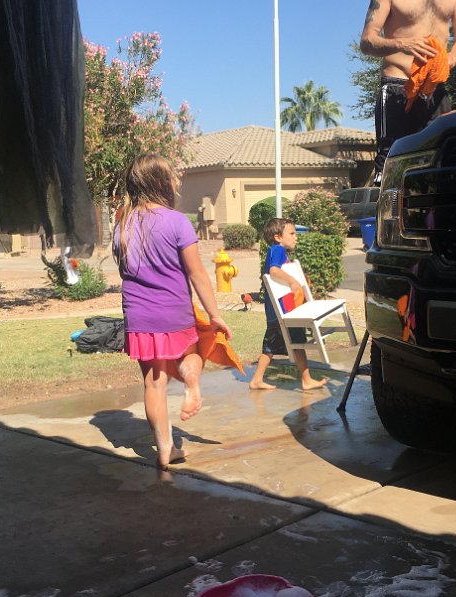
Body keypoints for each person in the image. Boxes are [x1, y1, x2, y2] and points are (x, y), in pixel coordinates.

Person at [113, 153, 232, 470]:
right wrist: (215, 314)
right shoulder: (177, 221)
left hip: (138, 316)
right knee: (193, 353)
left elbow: (124, 270)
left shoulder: (122, 224)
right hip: (174, 312)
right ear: (161, 182)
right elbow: (197, 274)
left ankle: (165, 450)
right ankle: (192, 384)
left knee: (154, 383)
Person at [360, 0, 456, 184]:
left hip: (435, 90)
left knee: (440, 170)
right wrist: (403, 44)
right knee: (392, 172)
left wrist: (449, 59)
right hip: (397, 88)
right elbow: (367, 42)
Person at [249, 218, 329, 392]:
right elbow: (274, 271)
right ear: (278, 237)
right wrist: (292, 281)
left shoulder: (277, 250)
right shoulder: (277, 249)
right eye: (291, 233)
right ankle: (257, 380)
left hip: (284, 311)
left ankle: (305, 380)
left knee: (290, 343)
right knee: (275, 346)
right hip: (281, 312)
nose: (295, 237)